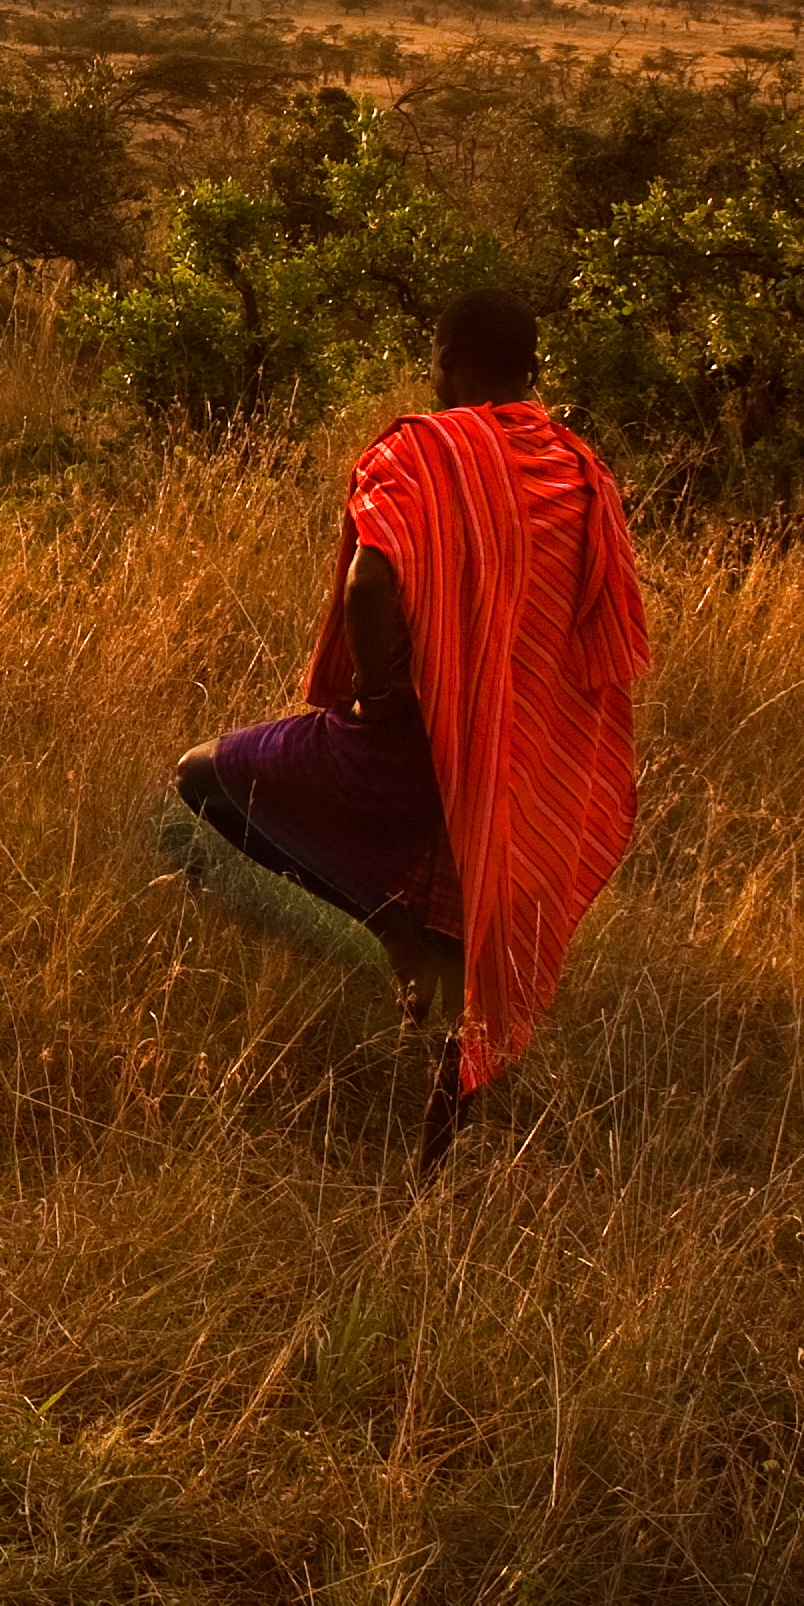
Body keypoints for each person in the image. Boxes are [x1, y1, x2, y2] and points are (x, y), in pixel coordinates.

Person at [167, 288, 646, 1171]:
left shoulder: (426, 450)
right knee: (472, 966)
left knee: (202, 779)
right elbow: (601, 639)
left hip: (409, 749)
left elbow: (369, 586)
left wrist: (381, 696)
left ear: (448, 361)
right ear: (531, 370)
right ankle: (429, 1183)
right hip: (523, 763)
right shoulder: (578, 469)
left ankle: (388, 922)